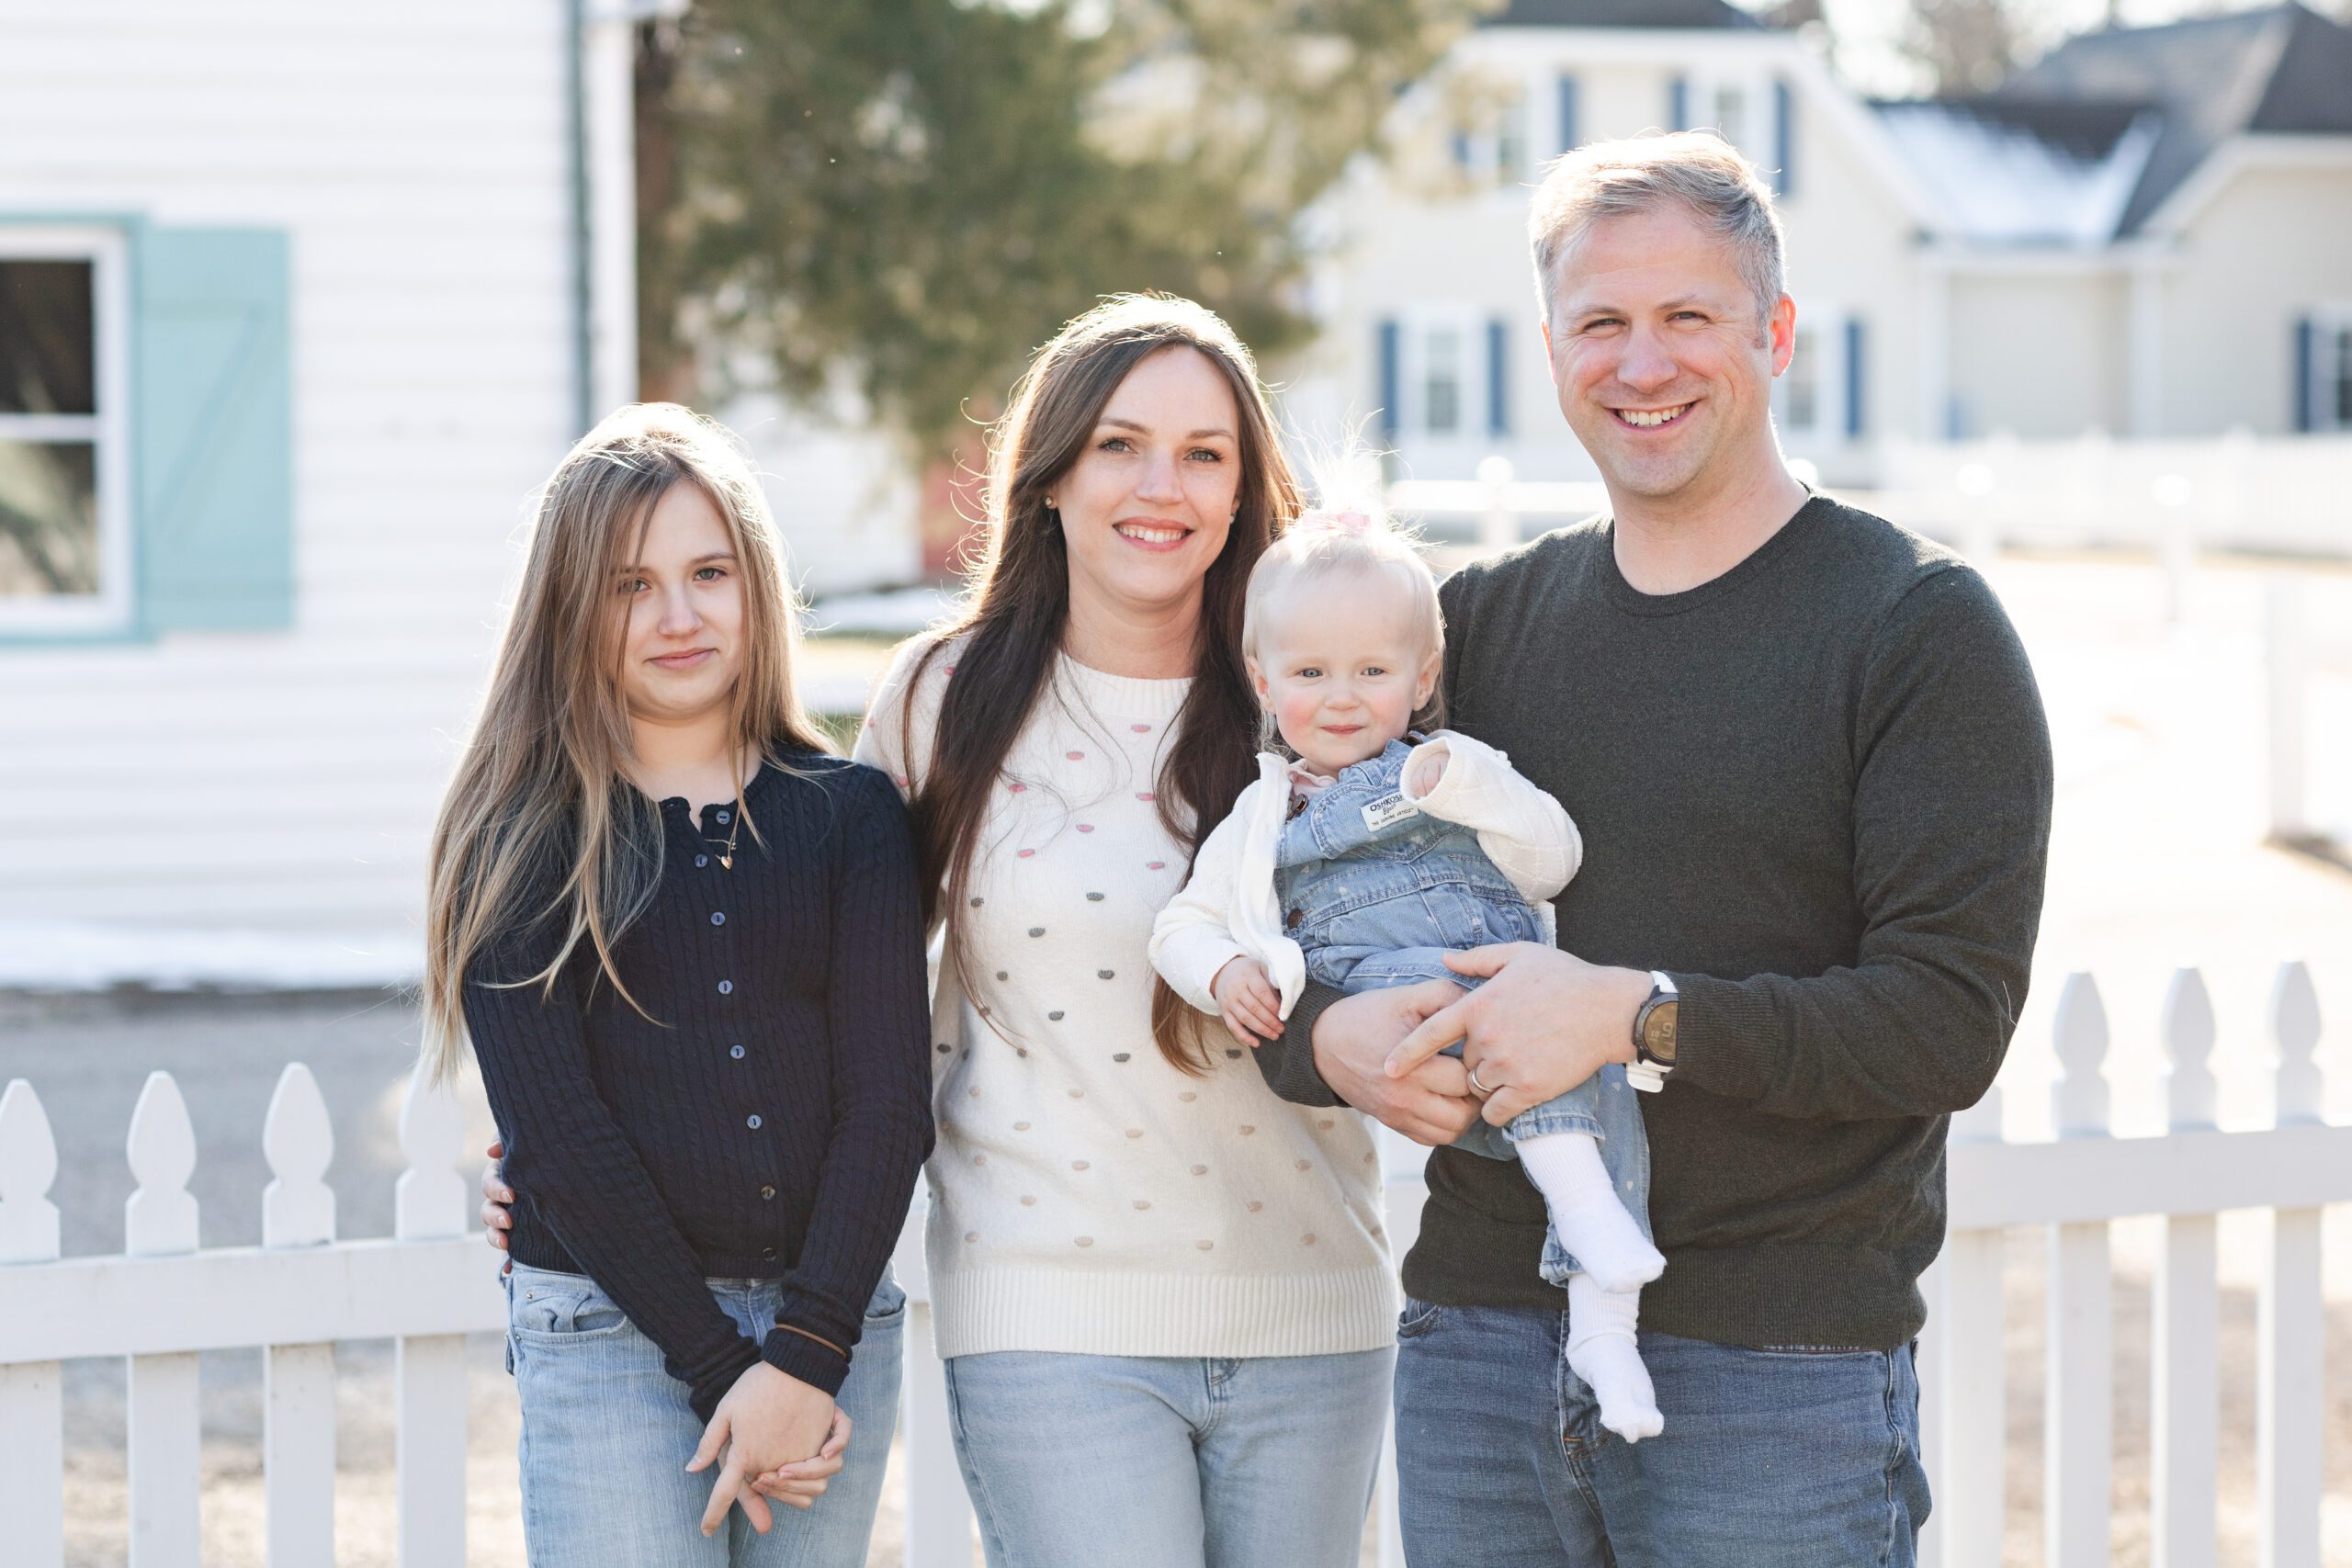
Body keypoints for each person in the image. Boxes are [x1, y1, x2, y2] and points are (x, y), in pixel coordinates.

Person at [485, 298, 1398, 1568]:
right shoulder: (941, 701)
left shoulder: (1321, 699)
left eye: (1206, 453)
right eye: (1120, 444)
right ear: (1050, 476)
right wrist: (580, 1137)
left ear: (1249, 488)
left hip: (1311, 1297)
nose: (1162, 486)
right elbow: (799, 982)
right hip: (1050, 1306)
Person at [1250, 133, 2055, 1565]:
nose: (1643, 364)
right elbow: (1286, 884)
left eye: (1689, 317)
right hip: (1481, 1342)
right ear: (1552, 346)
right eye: (1602, 324)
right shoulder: (1470, 632)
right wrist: (1327, 1041)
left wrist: (1634, 1012)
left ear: (1776, 332)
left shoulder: (1916, 627)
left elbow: (1947, 1023)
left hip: (1777, 1369)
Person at [427, 403, 933, 1566]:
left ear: (755, 585)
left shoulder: (846, 817)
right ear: (570, 609)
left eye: (709, 572)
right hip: (609, 1328)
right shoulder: (521, 835)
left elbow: (888, 1105)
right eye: (628, 585)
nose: (678, 615)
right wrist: (724, 1375)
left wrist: (801, 1357)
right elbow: (556, 1138)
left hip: (831, 1329)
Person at [1146, 505, 1664, 1441]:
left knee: (1595, 1084)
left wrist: (1464, 785)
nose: (1340, 698)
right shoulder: (1261, 819)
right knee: (1533, 1066)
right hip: (1397, 998)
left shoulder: (1451, 765)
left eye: (1372, 672)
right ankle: (1589, 1221)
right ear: (1263, 682)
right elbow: (1180, 924)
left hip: (1502, 985)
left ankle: (1604, 1334)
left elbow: (1552, 859)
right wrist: (1223, 972)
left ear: (1420, 678)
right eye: (1309, 674)